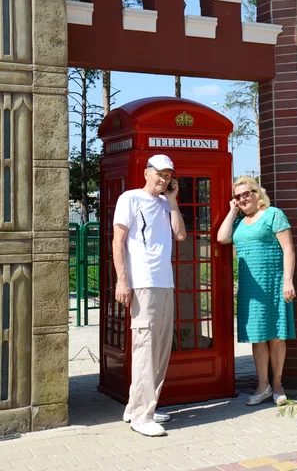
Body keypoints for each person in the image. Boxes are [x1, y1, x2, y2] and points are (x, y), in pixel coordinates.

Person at [112, 154, 187, 436]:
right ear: (146, 173)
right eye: (160, 174)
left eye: (169, 175)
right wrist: (122, 280)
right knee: (145, 349)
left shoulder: (165, 204)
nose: (164, 179)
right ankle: (142, 418)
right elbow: (118, 240)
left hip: (165, 282)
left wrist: (172, 201)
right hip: (142, 282)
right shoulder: (129, 199)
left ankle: (139, 407)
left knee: (160, 349)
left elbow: (180, 236)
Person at [217, 176, 296, 406]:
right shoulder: (240, 222)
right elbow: (222, 238)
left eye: (246, 193)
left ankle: (278, 384)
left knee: (277, 336)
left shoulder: (273, 214)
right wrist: (232, 211)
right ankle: (263, 386)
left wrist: (288, 281)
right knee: (257, 337)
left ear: (257, 193)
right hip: (250, 288)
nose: (242, 199)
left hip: (273, 282)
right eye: (237, 196)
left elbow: (288, 249)